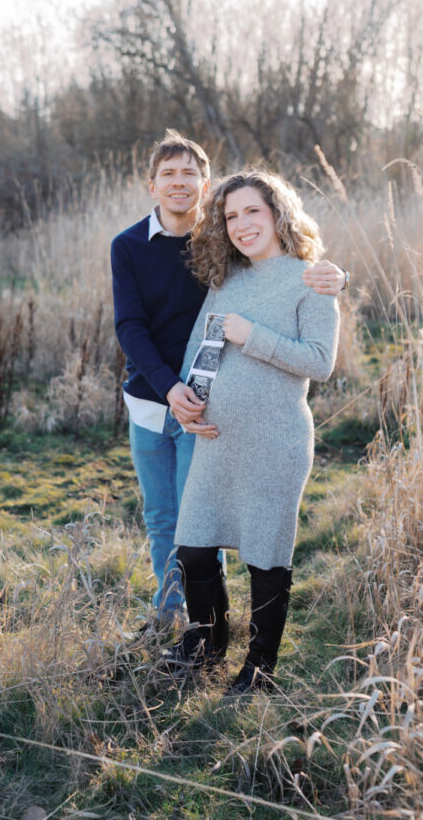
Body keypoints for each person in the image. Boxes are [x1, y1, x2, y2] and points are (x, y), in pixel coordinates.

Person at [110, 133, 346, 622]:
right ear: (151, 185)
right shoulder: (129, 246)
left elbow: (283, 267)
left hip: (209, 408)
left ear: (205, 183)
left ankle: (211, 623)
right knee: (161, 518)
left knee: (203, 518)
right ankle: (172, 615)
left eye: (189, 174)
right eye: (168, 175)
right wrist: (171, 389)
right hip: (156, 400)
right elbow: (130, 327)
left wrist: (338, 278)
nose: (179, 184)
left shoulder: (222, 244)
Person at [163, 169, 340, 695]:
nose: (241, 224)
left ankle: (260, 670)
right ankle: (206, 647)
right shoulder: (226, 280)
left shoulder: (311, 278)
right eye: (231, 215)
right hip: (216, 439)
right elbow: (200, 348)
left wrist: (252, 335)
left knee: (265, 555)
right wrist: (187, 405)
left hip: (275, 442)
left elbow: (321, 362)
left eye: (252, 211)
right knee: (194, 548)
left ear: (278, 213)